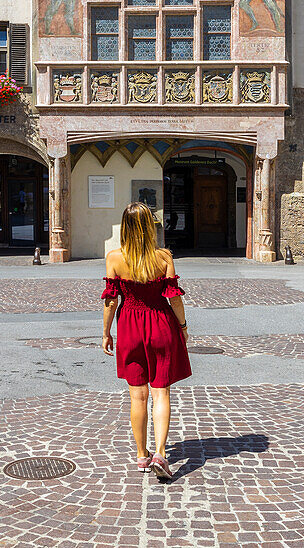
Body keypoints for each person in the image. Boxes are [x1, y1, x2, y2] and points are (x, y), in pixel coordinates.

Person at [102, 202, 191, 481]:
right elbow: (174, 298)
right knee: (160, 393)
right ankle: (161, 454)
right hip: (160, 323)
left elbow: (111, 301)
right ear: (149, 227)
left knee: (137, 396)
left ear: (125, 227)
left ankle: (142, 455)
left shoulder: (114, 257)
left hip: (130, 326)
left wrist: (106, 332)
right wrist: (183, 326)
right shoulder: (163, 257)